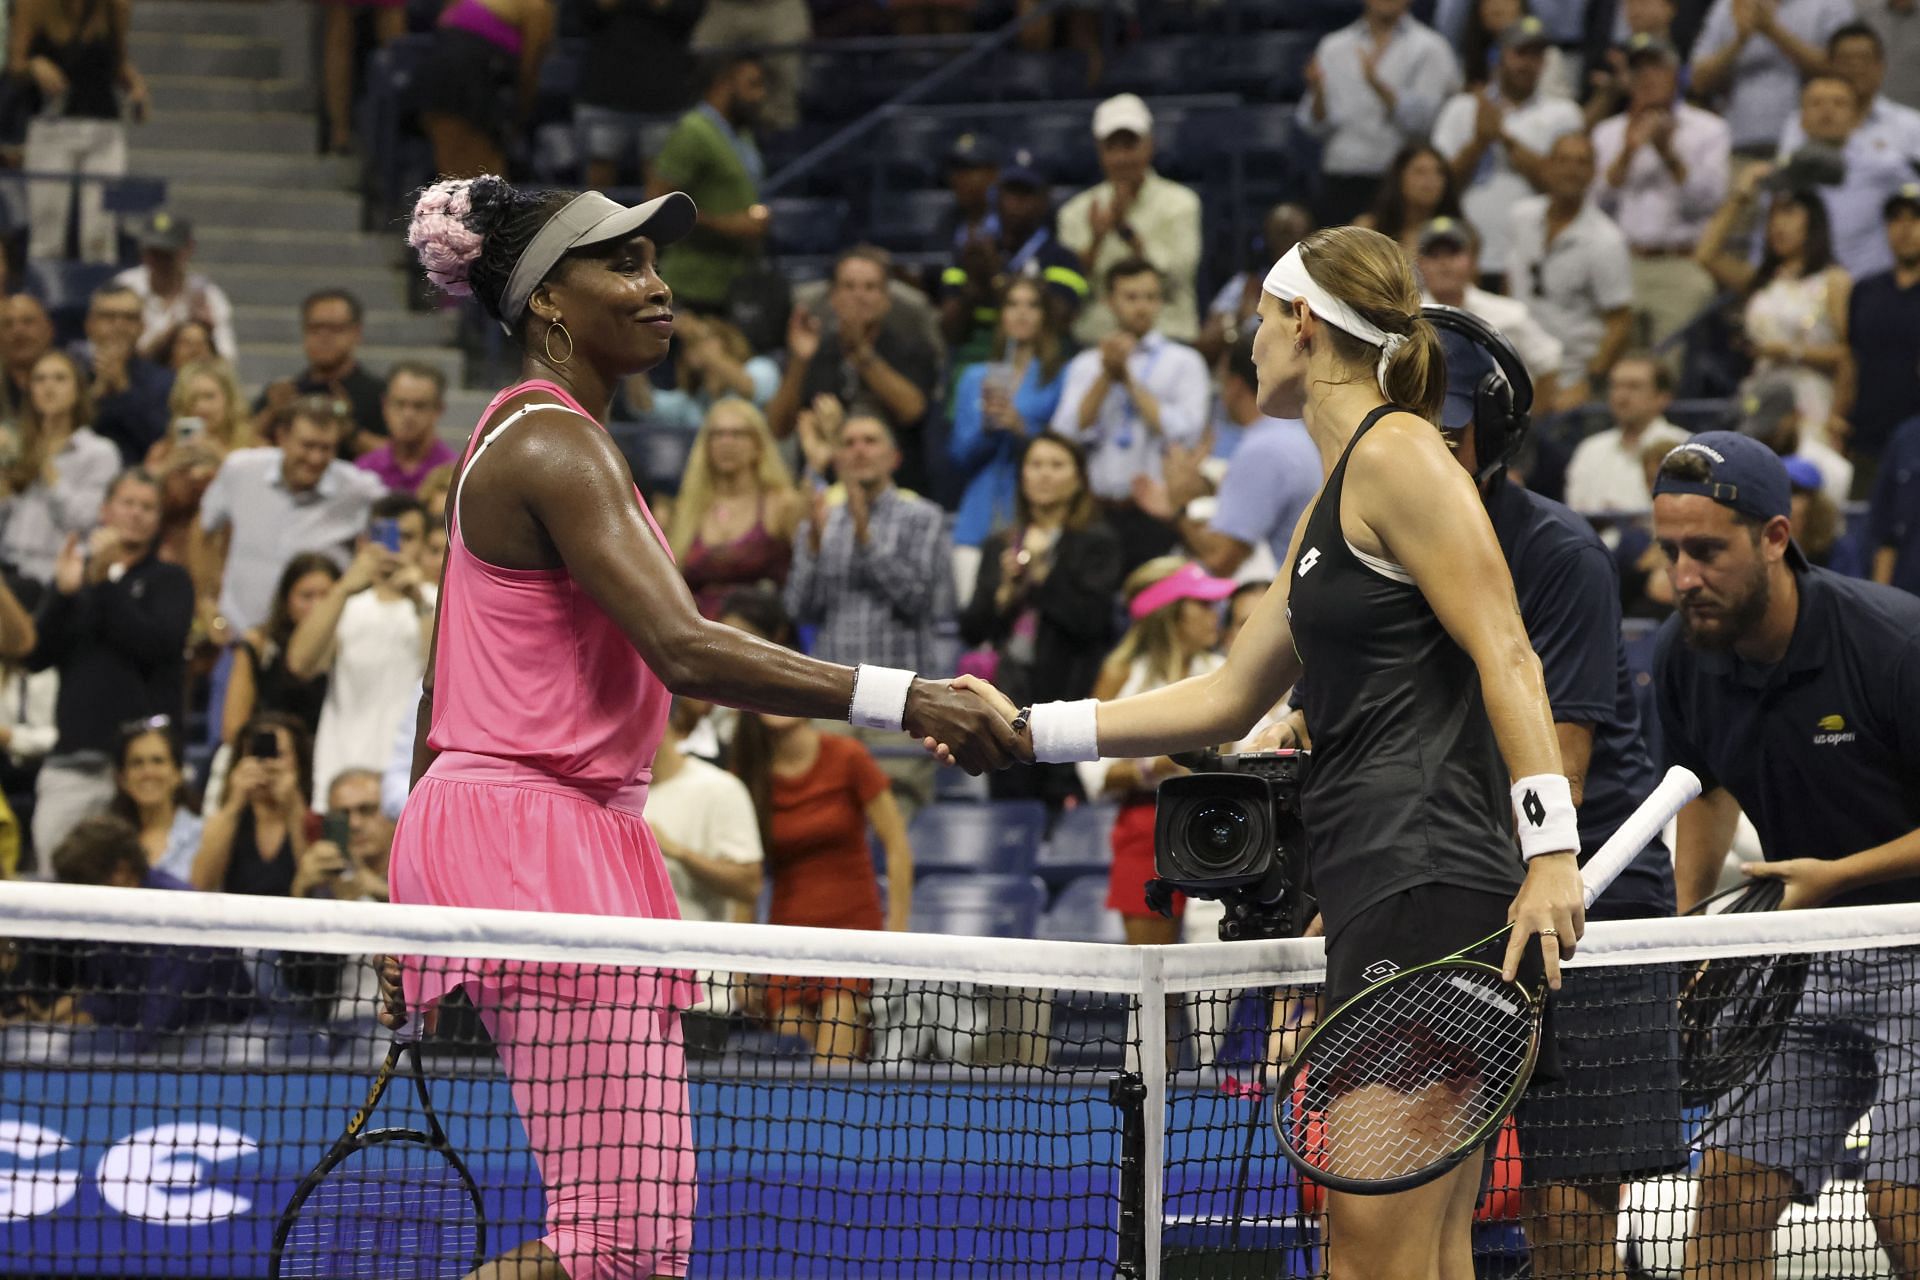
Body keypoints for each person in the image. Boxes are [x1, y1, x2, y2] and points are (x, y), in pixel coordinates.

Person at [387, 175, 1011, 1280]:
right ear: (547, 306)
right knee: (622, 1241)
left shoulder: (544, 436)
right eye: (621, 264)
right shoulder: (550, 444)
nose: (657, 283)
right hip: (534, 832)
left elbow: (447, 683)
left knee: (638, 1239)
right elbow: (686, 648)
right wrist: (907, 694)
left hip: (542, 825)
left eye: (653, 260)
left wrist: (427, 873)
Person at [946, 224, 1587, 1280]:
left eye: (1254, 321)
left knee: (1371, 1245)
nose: (1245, 348)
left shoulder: (1399, 451)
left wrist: (1552, 847)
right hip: (1391, 876)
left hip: (1429, 874)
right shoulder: (1335, 498)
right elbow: (1228, 694)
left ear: (1300, 321)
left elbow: (1508, 649)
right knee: (1421, 1247)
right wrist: (1030, 729)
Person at [1426, 312, 1685, 1280]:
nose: (1434, 450)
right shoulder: (1387, 544)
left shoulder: (1559, 553)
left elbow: (1560, 772)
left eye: (1451, 430)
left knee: (1570, 1219)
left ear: (1493, 437)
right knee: (1432, 1200)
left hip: (1594, 899)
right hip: (1467, 896)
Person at [1649, 433, 1920, 1280]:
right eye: (1669, 552)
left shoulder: (1891, 645)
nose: (1684, 577)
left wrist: (1838, 878)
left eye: (1707, 551)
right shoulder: (1683, 653)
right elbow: (1705, 789)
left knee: (1901, 1208)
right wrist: (1694, 932)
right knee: (1724, 1208)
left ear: (1776, 536)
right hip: (1800, 957)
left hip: (1915, 942)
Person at [786, 411, 952, 820]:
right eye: (850, 442)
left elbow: (919, 600)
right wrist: (812, 542)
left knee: (896, 825)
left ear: (894, 457)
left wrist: (865, 535)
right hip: (834, 699)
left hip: (901, 701)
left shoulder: (923, 518)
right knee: (825, 821)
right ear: (838, 458)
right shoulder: (823, 520)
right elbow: (799, 608)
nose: (859, 449)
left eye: (870, 440)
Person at [24, 468, 192, 858]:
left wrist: (104, 583)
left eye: (148, 507)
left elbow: (158, 644)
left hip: (143, 772)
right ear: (105, 512)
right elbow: (35, 658)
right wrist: (63, 596)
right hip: (73, 763)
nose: (136, 514)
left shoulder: (170, 580)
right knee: (54, 889)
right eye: (128, 503)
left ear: (158, 520)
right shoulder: (75, 581)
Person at [959, 433, 1121, 807]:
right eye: (1035, 465)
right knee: (1009, 813)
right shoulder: (1000, 544)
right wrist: (1004, 592)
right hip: (1007, 703)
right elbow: (972, 629)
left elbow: (1091, 621)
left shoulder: (1096, 542)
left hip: (1071, 702)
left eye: (1057, 465)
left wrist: (1044, 576)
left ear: (1078, 478)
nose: (1044, 475)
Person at [1079, 557, 1233, 943]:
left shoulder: (1224, 672)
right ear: (1170, 613)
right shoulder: (1121, 674)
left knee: (1212, 991)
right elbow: (1094, 772)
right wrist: (1153, 769)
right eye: (1202, 604)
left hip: (1219, 824)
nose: (1215, 615)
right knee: (1154, 982)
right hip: (1143, 828)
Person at [1050, 258, 1211, 571]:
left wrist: (1129, 381)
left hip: (1155, 511)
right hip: (1096, 508)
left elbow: (1187, 433)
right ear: (1110, 302)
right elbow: (1065, 435)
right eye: (1131, 297)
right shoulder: (1086, 364)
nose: (1142, 307)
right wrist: (1105, 377)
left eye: (1150, 297)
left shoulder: (1185, 362)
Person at [195, 396, 385, 641]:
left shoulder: (358, 489)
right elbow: (202, 529)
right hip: (237, 636)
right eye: (307, 446)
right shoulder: (241, 470)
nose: (315, 459)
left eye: (326, 448)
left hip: (313, 647)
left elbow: (403, 515)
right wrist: (205, 599)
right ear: (282, 437)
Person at [289, 495, 435, 812]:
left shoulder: (438, 601)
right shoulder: (345, 603)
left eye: (407, 538)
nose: (395, 548)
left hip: (406, 779)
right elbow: (301, 664)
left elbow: (437, 676)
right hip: (342, 774)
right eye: (385, 536)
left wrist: (419, 601)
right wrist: (342, 589)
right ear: (364, 542)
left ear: (425, 546)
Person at [1133, 334, 1320, 580]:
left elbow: (1221, 560)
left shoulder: (1263, 449)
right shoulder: (1294, 432)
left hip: (1275, 601)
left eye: (1221, 381)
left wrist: (1179, 504)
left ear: (1234, 385)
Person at [1591, 34, 1730, 354]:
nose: (1648, 78)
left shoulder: (1709, 129)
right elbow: (1595, 206)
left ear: (1675, 75)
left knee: (1668, 367)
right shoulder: (1608, 132)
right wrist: (1626, 154)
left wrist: (1669, 156)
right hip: (1622, 263)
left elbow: (1709, 202)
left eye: (1657, 68)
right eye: (1639, 70)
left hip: (1680, 263)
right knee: (1615, 363)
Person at [765, 247, 940, 495]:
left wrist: (861, 354)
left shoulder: (912, 348)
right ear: (833, 297)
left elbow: (912, 410)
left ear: (886, 299)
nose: (859, 296)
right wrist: (799, 361)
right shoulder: (814, 351)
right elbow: (778, 427)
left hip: (898, 493)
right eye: (849, 286)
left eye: (870, 287)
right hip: (826, 493)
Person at [1697, 175, 1851, 444]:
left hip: (1811, 396)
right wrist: (1739, 198)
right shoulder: (1762, 280)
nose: (1778, 224)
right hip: (1761, 391)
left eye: (1789, 213)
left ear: (1813, 220)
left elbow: (1848, 354)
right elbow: (1706, 255)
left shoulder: (1834, 280)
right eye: (1772, 216)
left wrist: (1791, 352)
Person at [948, 277, 1071, 603]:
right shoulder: (975, 377)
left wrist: (1022, 429)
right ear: (1001, 314)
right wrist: (988, 430)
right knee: (975, 622)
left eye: (1032, 305)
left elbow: (1068, 448)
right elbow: (959, 455)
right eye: (1013, 304)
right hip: (978, 514)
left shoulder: (1059, 375)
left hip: (1034, 516)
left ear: (1044, 315)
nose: (1022, 313)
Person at [1431, 17, 1585, 274]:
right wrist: (1479, 142)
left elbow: (1565, 184)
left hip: (1534, 254)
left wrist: (1504, 138)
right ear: (1499, 56)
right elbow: (1439, 187)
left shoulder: (1564, 114)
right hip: (1467, 253)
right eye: (1520, 53)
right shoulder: (1462, 108)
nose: (1528, 64)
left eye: (1537, 56)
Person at [1296, 0, 1463, 225]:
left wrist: (1378, 86)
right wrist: (1318, 95)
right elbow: (1312, 125)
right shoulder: (1333, 46)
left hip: (1398, 184)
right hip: (1340, 178)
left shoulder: (1431, 47)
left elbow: (1427, 122)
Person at [1056, 94, 1203, 345]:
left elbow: (1178, 277)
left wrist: (1126, 232)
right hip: (1097, 341)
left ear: (1149, 145)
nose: (1122, 158)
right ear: (1099, 151)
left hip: (1169, 338)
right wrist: (1097, 240)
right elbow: (1069, 291)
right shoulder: (1076, 211)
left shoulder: (1181, 203)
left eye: (1130, 145)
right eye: (1112, 147)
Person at [11, 0, 147, 264]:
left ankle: (100, 302)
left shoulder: (114, 7)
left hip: (104, 128)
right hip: (52, 126)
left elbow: (119, 63)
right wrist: (35, 65)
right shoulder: (35, 6)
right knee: (47, 229)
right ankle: (46, 299)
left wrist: (137, 88)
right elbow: (15, 63)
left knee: (99, 231)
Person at [1506, 132, 1635, 406]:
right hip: (1511, 367)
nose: (1571, 170)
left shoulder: (1606, 240)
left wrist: (1587, 383)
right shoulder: (1520, 217)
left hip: (1568, 378)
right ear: (1547, 166)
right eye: (1563, 160)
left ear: (1593, 172)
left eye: (1581, 163)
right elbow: (1511, 283)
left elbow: (1620, 321)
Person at [648, 52, 770, 316]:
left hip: (736, 280)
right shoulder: (693, 131)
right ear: (724, 83)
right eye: (752, 84)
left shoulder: (742, 131)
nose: (760, 95)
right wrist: (727, 225)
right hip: (693, 286)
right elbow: (657, 204)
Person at [939, 150, 1089, 357]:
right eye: (1010, 192)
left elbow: (1058, 322)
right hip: (978, 356)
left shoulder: (1062, 258)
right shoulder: (972, 253)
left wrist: (996, 278)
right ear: (997, 197)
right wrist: (972, 287)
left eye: (1026, 193)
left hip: (1039, 359)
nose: (1016, 202)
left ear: (1044, 200)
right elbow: (949, 331)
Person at [1777, 70, 1919, 281]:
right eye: (1816, 103)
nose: (1827, 111)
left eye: (1838, 103)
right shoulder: (1785, 174)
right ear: (1801, 118)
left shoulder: (1884, 166)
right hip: (1803, 292)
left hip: (1867, 286)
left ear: (1855, 117)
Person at [668, 397, 802, 619]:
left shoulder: (783, 503)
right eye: (717, 435)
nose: (726, 442)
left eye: (738, 434)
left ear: (758, 445)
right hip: (697, 635)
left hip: (762, 634)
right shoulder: (685, 509)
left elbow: (805, 579)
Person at [0, 350, 121, 589]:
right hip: (9, 568)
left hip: (59, 574)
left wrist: (46, 468)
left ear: (78, 390)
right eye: (40, 379)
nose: (48, 387)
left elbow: (84, 520)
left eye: (59, 378)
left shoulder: (99, 452)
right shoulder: (17, 447)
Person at [1415, 218, 1565, 405]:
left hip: (1502, 422)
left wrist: (1527, 422)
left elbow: (1549, 362)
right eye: (1434, 255)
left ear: (1472, 260)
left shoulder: (1511, 313)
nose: (1444, 264)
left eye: (1453, 253)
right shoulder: (1409, 319)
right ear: (1420, 264)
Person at [1688, 0, 1851, 158]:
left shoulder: (1831, 3)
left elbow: (1842, 72)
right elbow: (1698, 81)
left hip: (1809, 147)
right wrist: (1740, 39)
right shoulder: (1727, 6)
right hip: (1737, 141)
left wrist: (1771, 29)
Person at [414, 0, 552, 180]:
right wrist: (520, 114)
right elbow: (529, 69)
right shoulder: (536, 7)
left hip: (438, 75)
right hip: (465, 82)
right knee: (472, 181)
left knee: (461, 176)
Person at [574, 0, 702, 191]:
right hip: (605, 90)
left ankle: (657, 223)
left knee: (661, 189)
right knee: (596, 186)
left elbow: (688, 15)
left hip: (662, 95)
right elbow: (584, 14)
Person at [191, 712, 320, 895]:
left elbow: (317, 887)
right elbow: (200, 884)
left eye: (278, 754)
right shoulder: (227, 817)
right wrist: (234, 803)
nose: (267, 762)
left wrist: (293, 807)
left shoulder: (314, 814)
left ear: (298, 761)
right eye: (256, 753)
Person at [221, 553, 337, 748]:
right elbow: (233, 729)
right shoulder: (259, 645)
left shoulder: (351, 645)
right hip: (270, 754)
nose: (317, 606)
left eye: (326, 596)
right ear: (286, 601)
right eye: (306, 596)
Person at [251, 291, 387, 457]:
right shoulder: (284, 393)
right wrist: (271, 413)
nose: (324, 337)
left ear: (357, 333)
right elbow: (240, 447)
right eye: (315, 328)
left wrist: (350, 430)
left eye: (335, 328)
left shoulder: (380, 394)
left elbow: (400, 459)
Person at [1848, 184, 1920, 483]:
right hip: (1867, 436)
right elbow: (1850, 356)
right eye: (1896, 219)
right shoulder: (1867, 290)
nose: (1905, 229)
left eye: (1915, 219)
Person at [1564, 353, 1687, 513]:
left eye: (1634, 387)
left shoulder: (1685, 447)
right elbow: (1576, 511)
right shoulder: (1589, 449)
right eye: (1616, 386)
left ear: (1662, 397)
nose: (1621, 396)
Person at [1199, 202, 1315, 368]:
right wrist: (1236, 324)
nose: (1288, 243)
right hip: (1250, 373)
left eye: (1294, 234)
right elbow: (1205, 343)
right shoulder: (1246, 285)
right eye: (1281, 233)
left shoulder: (1320, 285)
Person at [114, 210, 237, 363]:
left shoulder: (207, 294)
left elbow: (227, 360)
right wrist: (171, 332)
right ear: (143, 251)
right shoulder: (125, 287)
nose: (161, 261)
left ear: (188, 250)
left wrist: (207, 334)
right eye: (154, 252)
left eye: (168, 253)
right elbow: (118, 356)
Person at [79, 283, 174, 466]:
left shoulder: (164, 381)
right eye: (108, 317)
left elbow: (162, 443)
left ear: (142, 326)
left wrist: (123, 388)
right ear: (89, 325)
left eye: (129, 318)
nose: (119, 325)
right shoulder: (70, 376)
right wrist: (96, 393)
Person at [106, 717, 201, 883]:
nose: (148, 772)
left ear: (178, 773)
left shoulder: (204, 835)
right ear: (122, 778)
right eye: (137, 763)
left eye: (158, 761)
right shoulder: (106, 842)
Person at [354, 363, 457, 497]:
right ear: (385, 406)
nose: (408, 415)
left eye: (419, 406)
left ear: (439, 409)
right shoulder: (363, 471)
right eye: (400, 404)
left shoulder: (454, 475)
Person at [1354, 143, 1464, 260]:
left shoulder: (1460, 234)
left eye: (1439, 172)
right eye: (1420, 172)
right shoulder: (1368, 229)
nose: (1431, 179)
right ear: (1399, 178)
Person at [0, 296, 55, 424]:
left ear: (49, 330)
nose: (18, 331)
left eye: (28, 322)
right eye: (8, 324)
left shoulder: (72, 380)